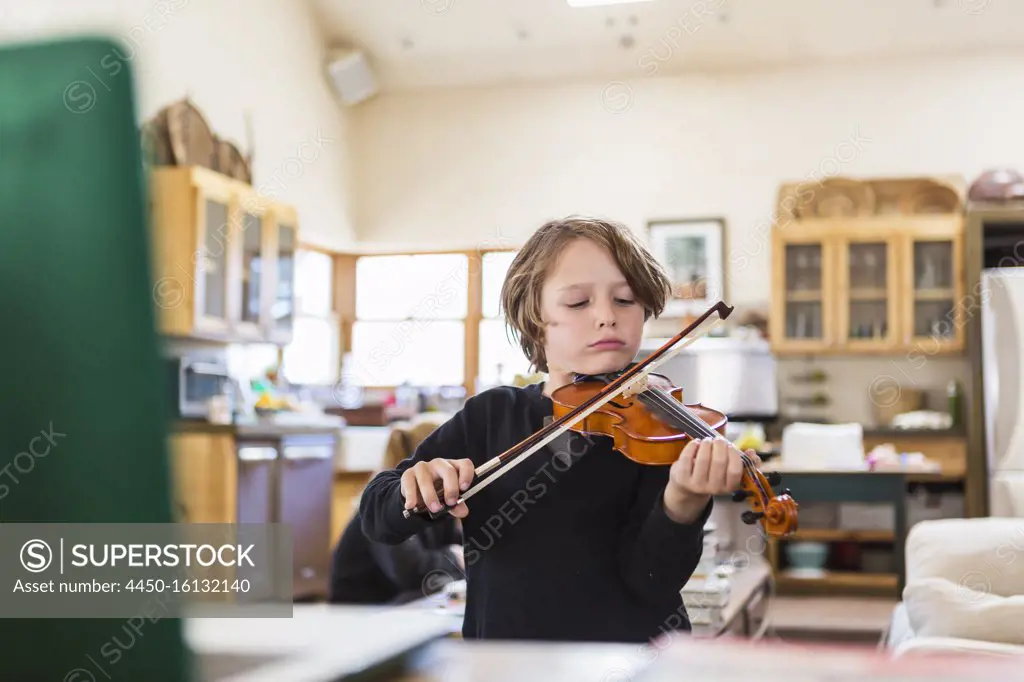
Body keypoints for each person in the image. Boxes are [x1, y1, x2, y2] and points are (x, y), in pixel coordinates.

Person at [358, 216, 760, 642]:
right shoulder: (492, 415)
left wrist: (683, 501)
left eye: (625, 300)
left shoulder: (659, 427)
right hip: (506, 666)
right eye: (577, 303)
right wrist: (413, 485)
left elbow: (651, 581)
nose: (607, 316)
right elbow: (377, 519)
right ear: (535, 320)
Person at [328, 418, 465, 605]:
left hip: (388, 604)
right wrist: (453, 556)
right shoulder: (382, 510)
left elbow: (464, 553)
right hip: (357, 614)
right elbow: (411, 573)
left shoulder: (440, 504)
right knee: (425, 596)